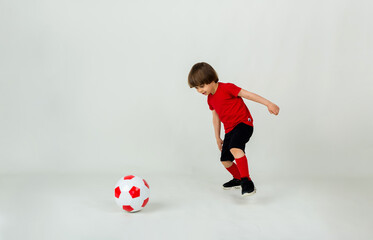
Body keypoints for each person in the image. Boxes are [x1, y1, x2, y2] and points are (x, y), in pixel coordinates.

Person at [188, 62, 280, 196]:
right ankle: (238, 179)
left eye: (202, 86)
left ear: (212, 80)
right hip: (230, 129)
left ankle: (247, 182)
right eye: (196, 88)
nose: (200, 90)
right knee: (225, 160)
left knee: (235, 148)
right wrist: (217, 137)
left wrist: (268, 104)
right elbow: (216, 118)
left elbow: (248, 95)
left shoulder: (227, 88)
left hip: (243, 124)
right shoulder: (210, 99)